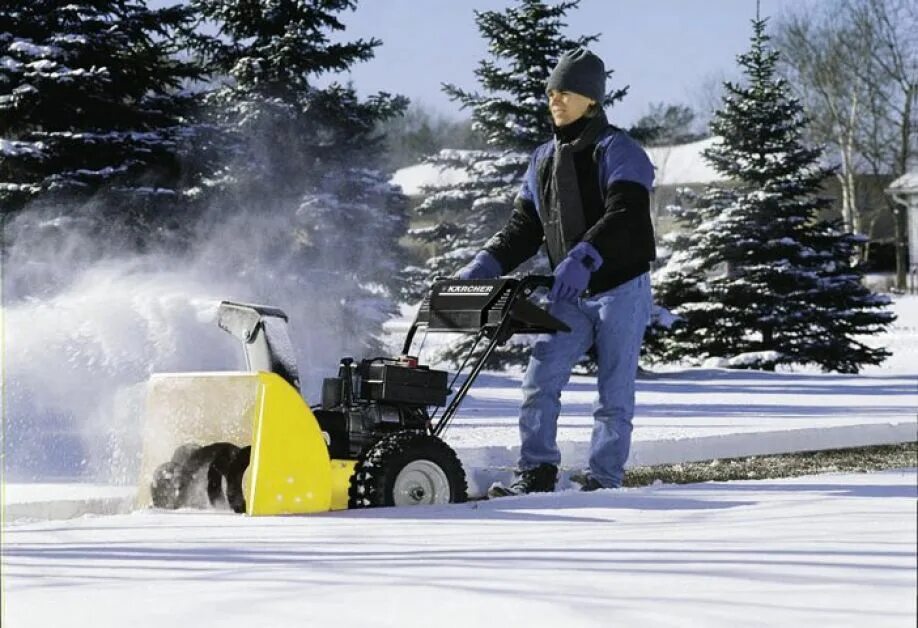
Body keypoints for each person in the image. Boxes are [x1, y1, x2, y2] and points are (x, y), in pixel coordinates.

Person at [456, 48, 655, 495]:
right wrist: (483, 265)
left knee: (613, 394)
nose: (555, 98)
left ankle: (604, 481)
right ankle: (537, 471)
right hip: (569, 291)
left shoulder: (619, 150)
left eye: (566, 91)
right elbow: (525, 228)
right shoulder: (543, 158)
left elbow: (625, 213)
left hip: (620, 288)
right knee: (539, 381)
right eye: (551, 90)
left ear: (592, 99)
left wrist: (585, 256)